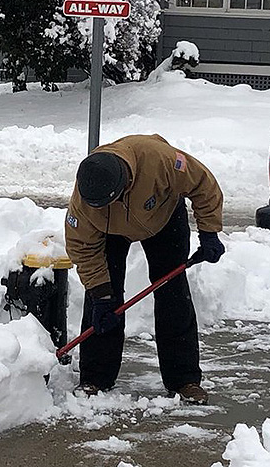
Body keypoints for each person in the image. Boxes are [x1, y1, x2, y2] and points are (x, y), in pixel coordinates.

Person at [65, 134, 225, 404]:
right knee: (102, 301)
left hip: (163, 218)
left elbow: (203, 184)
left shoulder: (159, 159)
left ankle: (183, 379)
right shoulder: (85, 200)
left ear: (124, 185)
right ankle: (95, 377)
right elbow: (82, 248)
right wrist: (100, 295)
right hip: (109, 233)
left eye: (108, 202)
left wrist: (209, 233)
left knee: (172, 294)